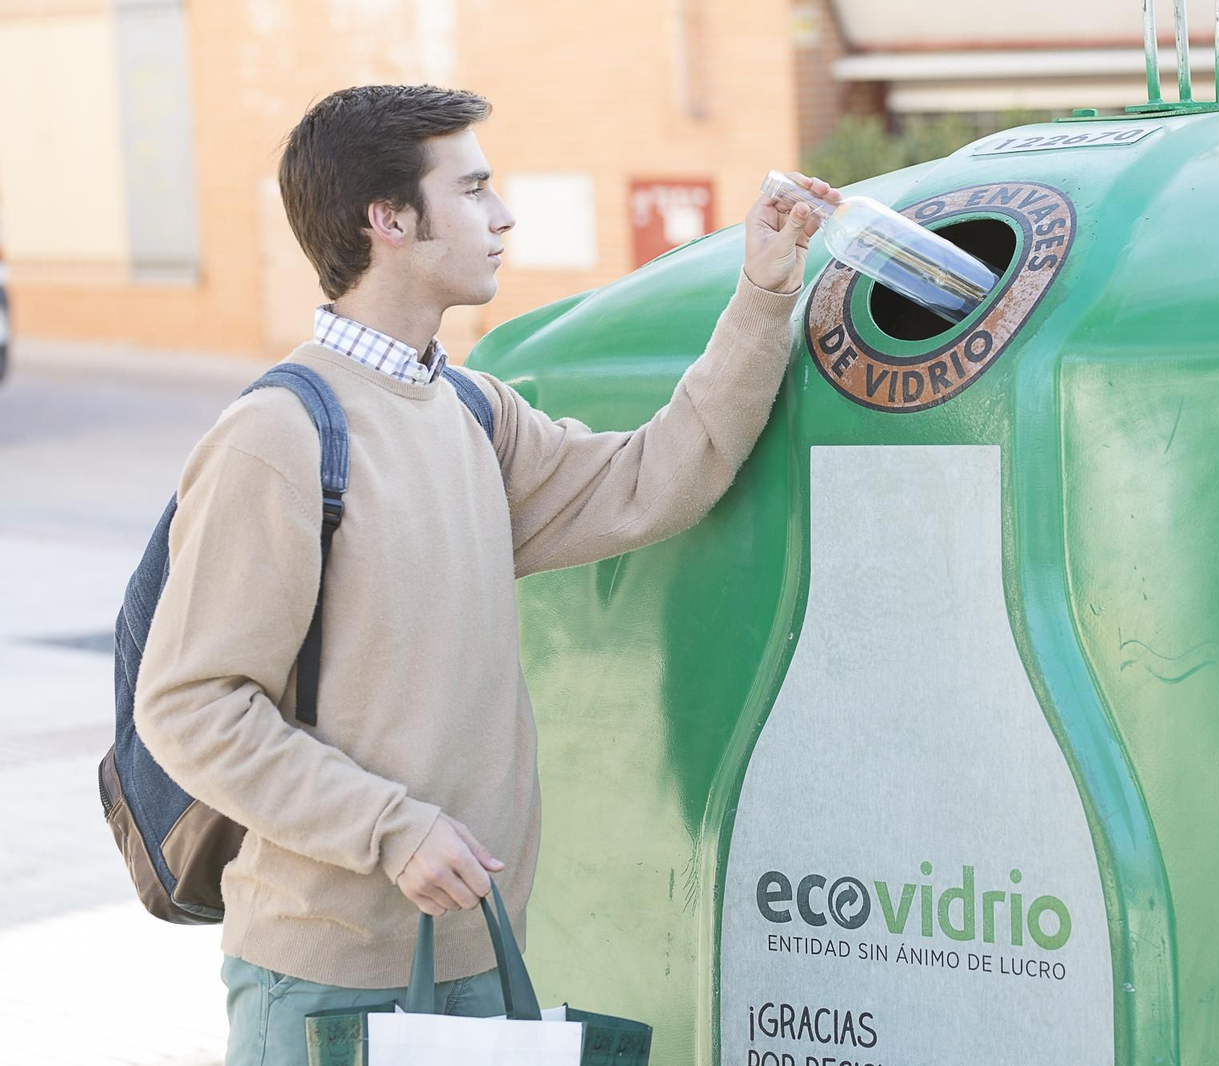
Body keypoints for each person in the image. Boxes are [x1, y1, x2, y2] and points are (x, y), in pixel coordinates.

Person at [132, 83, 837, 1063]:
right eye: (472, 190)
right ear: (389, 221)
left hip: (480, 957)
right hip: (322, 981)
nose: (502, 215)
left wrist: (764, 292)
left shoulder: (472, 413)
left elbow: (655, 477)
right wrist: (391, 829)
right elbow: (190, 704)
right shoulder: (278, 436)